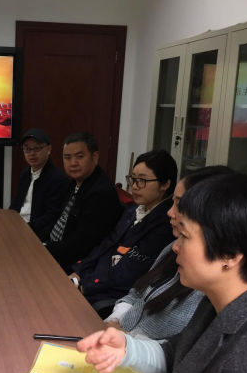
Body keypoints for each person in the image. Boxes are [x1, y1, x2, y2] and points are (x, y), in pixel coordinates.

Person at [76, 173, 247, 373]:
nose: (175, 247)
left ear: (229, 254)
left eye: (185, 236)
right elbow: (176, 355)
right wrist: (126, 349)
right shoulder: (216, 303)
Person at [104, 166, 233, 341]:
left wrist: (128, 343)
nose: (170, 212)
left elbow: (175, 349)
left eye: (179, 205)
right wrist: (115, 321)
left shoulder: (211, 292)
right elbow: (136, 293)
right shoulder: (172, 247)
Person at [69, 150, 176, 307]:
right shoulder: (133, 210)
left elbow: (128, 273)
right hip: (95, 278)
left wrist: (85, 286)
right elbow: (107, 244)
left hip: (113, 294)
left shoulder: (166, 225)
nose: (134, 186)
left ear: (165, 184)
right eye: (133, 179)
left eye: (142, 180)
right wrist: (79, 270)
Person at [38, 132, 122, 273]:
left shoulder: (100, 193)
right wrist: (38, 240)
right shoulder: (74, 183)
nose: (73, 163)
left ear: (95, 157)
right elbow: (60, 220)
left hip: (74, 267)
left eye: (79, 157)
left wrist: (43, 248)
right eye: (67, 158)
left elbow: (79, 246)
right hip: (55, 252)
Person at [9, 128, 69, 235]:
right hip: (17, 227)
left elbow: (52, 216)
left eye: (37, 148)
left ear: (48, 149)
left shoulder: (58, 179)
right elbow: (15, 205)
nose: (31, 153)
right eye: (27, 149)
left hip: (35, 233)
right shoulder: (24, 174)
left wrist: (24, 228)